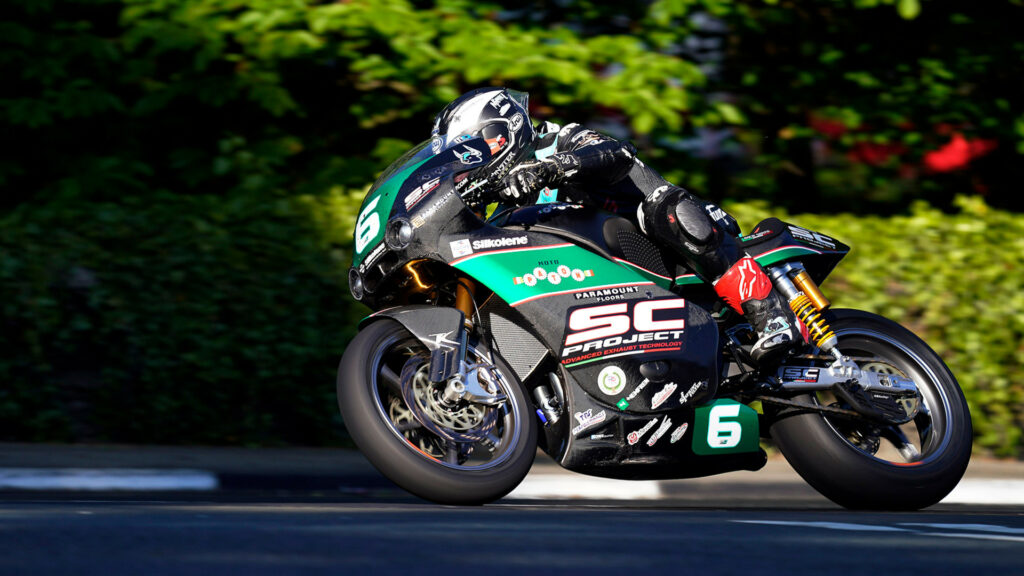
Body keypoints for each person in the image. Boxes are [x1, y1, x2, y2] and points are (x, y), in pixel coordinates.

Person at [431, 87, 799, 364]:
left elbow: (618, 153)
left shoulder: (560, 139)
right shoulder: (508, 196)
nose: (470, 159)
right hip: (604, 277)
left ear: (503, 129)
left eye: (473, 145)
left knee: (669, 210)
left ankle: (769, 314)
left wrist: (551, 167)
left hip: (658, 241)